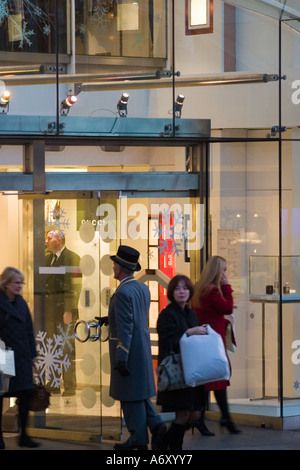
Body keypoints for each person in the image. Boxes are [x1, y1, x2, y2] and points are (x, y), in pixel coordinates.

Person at [108, 245, 166, 450]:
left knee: (130, 396)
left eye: (115, 263)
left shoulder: (123, 292)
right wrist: (110, 318)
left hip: (129, 350)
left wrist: (121, 356)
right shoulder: (141, 288)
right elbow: (134, 317)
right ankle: (157, 426)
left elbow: (126, 326)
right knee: (140, 393)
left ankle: (138, 438)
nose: (113, 266)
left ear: (120, 267)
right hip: (141, 348)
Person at [156, 274, 208, 451]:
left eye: (185, 288)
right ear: (171, 292)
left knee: (195, 414)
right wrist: (189, 333)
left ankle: (164, 441)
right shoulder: (167, 315)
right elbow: (169, 341)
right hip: (177, 371)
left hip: (192, 370)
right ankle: (175, 449)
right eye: (177, 289)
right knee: (183, 412)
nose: (182, 292)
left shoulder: (191, 313)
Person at [193, 255, 241, 434]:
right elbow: (227, 308)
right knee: (218, 378)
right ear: (217, 272)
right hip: (213, 341)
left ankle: (220, 418)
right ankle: (220, 419)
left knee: (213, 380)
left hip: (207, 340)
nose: (226, 274)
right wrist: (227, 287)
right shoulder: (212, 291)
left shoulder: (200, 288)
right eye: (224, 270)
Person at [0, 267, 39, 449]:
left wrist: (32, 354)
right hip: (4, 356)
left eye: (21, 282)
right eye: (16, 282)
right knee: (2, 395)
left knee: (25, 394)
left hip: (22, 356)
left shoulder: (21, 303)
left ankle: (24, 435)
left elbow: (29, 330)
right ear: (6, 283)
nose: (19, 286)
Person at [45, 229, 82, 396]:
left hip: (65, 311)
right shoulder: (47, 259)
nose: (46, 241)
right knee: (52, 347)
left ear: (58, 240)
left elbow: (75, 286)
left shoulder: (73, 258)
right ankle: (53, 382)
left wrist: (69, 310)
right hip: (50, 310)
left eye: (49, 237)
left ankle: (69, 386)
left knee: (67, 349)